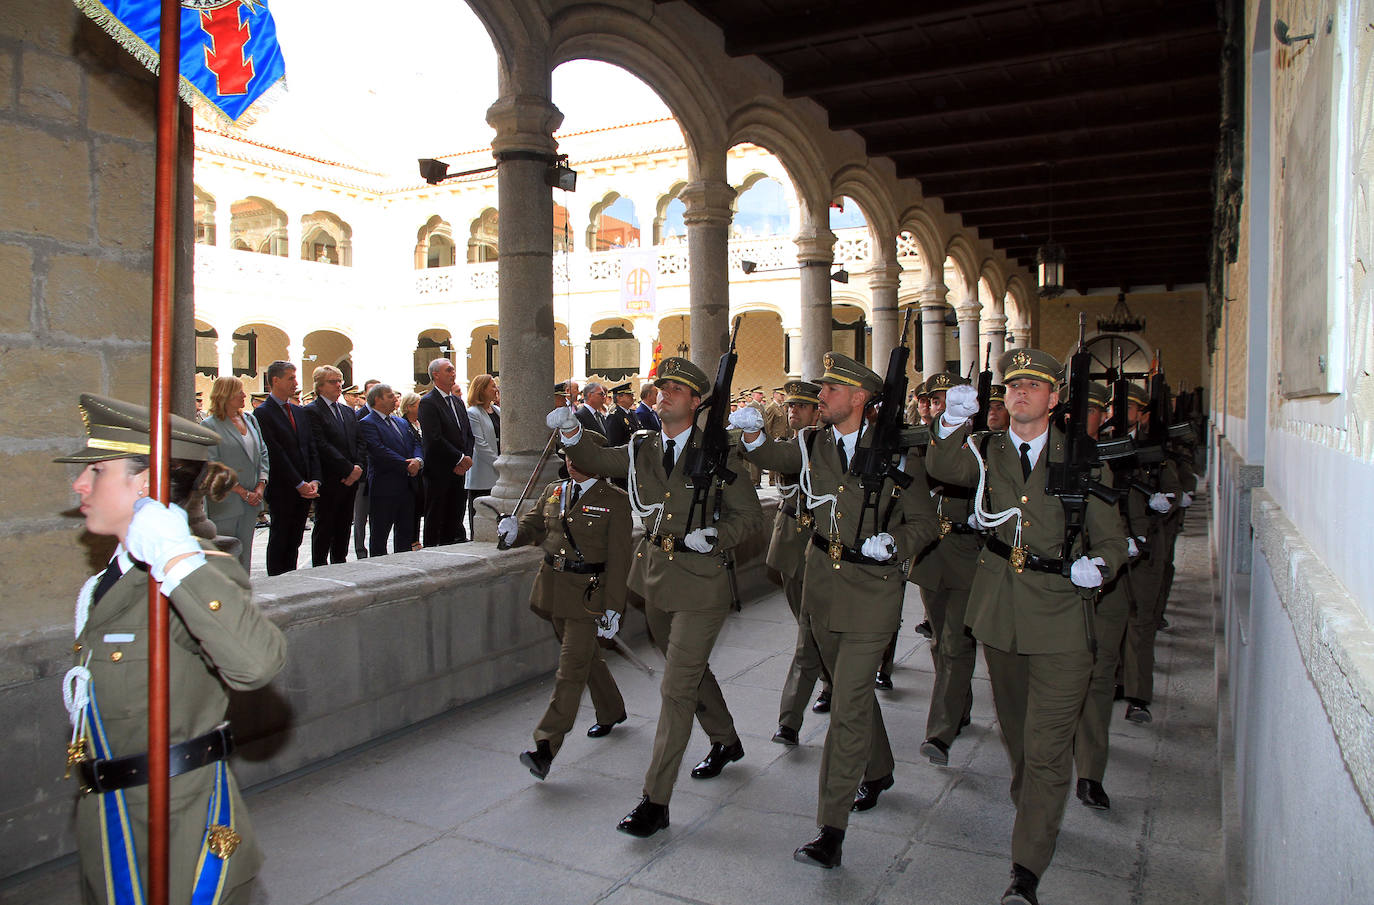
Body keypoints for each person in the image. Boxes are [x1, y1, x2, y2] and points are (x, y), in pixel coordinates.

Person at [57, 393, 286, 905]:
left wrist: (177, 560)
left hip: (176, 823)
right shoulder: (113, 578)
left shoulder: (189, 571)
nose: (79, 485)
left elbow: (257, 662)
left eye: (95, 471)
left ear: (144, 484)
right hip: (113, 820)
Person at [926, 348, 1127, 905]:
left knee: (1044, 749)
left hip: (1062, 616)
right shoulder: (985, 450)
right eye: (1013, 385)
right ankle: (1036, 808)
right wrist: (948, 421)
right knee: (1018, 738)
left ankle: (1026, 869)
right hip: (1001, 617)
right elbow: (942, 467)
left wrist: (1101, 568)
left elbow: (1111, 540)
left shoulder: (1082, 458)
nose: (1020, 393)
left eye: (1034, 385)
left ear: (1054, 398)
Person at [735, 351, 941, 870]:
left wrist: (893, 543)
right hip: (822, 585)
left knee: (848, 701)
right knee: (848, 689)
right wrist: (754, 436)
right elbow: (775, 459)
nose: (820, 395)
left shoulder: (898, 452)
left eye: (831, 389)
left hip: (873, 591)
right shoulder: (812, 444)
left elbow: (925, 523)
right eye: (822, 387)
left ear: (859, 398)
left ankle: (831, 827)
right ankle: (879, 768)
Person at [549, 356, 765, 838]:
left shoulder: (720, 452)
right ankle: (726, 740)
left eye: (674, 388)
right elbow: (599, 459)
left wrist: (716, 536)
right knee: (685, 671)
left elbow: (750, 517)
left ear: (695, 401)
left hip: (703, 582)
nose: (662, 393)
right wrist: (570, 434)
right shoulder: (642, 446)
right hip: (656, 579)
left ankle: (655, 800)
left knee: (675, 688)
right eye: (660, 386)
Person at [499, 442, 631, 781]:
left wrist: (614, 608)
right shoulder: (554, 490)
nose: (572, 462)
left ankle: (545, 746)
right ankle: (612, 709)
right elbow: (532, 526)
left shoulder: (614, 500)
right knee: (585, 658)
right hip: (554, 591)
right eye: (568, 456)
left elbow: (619, 560)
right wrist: (513, 532)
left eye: (579, 456)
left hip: (589, 595)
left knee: (570, 670)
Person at [908, 371, 982, 767]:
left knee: (956, 642)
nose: (936, 407)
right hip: (932, 554)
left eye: (944, 400)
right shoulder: (921, 443)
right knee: (940, 641)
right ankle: (960, 703)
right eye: (933, 401)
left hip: (970, 554)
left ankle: (940, 731)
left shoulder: (981, 445)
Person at [1071, 382, 1134, 811]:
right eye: (1082, 410)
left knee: (1098, 678)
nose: (1088, 418)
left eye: (1095, 411)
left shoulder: (1111, 457)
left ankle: (1091, 772)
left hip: (1106, 582)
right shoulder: (1055, 454)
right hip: (1063, 582)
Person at [760, 380, 833, 746]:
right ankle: (830, 680)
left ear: (817, 411)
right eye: (789, 407)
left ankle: (791, 717)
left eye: (801, 407)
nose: (793, 413)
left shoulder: (830, 446)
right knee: (804, 621)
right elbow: (772, 457)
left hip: (820, 544)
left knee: (809, 630)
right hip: (790, 539)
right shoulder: (788, 446)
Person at [253, 360, 321, 575]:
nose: (295, 382)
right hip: (284, 487)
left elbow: (311, 446)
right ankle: (276, 579)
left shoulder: (298, 411)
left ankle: (291, 577)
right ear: (275, 380)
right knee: (281, 537)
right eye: (290, 378)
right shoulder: (263, 413)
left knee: (295, 539)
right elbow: (275, 452)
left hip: (305, 487)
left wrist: (315, 479)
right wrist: (298, 483)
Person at [201, 375, 269, 572]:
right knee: (224, 555)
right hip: (227, 499)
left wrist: (260, 485)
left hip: (252, 498)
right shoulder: (210, 425)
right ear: (226, 395)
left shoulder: (250, 420)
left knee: (245, 552)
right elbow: (212, 465)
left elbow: (262, 452)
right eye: (239, 392)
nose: (244, 395)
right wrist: (242, 491)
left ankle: (243, 594)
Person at [308, 365, 365, 566]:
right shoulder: (312, 411)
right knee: (325, 525)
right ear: (320, 386)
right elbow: (321, 445)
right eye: (333, 381)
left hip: (351, 479)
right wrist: (348, 469)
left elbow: (359, 441)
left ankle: (340, 562)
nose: (339, 385)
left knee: (343, 525)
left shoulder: (347, 411)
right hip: (330, 477)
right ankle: (320, 566)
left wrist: (357, 467)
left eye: (340, 380)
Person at [360, 383, 424, 556]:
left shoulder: (400, 422)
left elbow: (416, 443)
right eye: (389, 396)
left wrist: (417, 460)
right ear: (377, 400)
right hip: (384, 487)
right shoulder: (367, 423)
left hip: (406, 485)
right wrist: (406, 464)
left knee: (405, 532)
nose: (395, 399)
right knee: (380, 534)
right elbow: (378, 450)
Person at [418, 358, 474, 546]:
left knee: (455, 517)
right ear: (436, 375)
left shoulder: (457, 402)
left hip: (459, 471)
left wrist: (467, 458)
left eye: (453, 370)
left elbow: (467, 434)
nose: (453, 373)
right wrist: (459, 458)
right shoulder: (428, 403)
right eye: (448, 370)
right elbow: (434, 438)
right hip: (439, 471)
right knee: (435, 518)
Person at [466, 373, 501, 537]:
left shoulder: (497, 411)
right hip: (483, 472)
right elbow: (480, 444)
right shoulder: (473, 413)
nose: (496, 389)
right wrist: (499, 463)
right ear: (482, 389)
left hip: (499, 472)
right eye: (492, 385)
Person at [352, 379, 382, 558]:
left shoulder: (386, 416)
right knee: (360, 517)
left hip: (378, 473)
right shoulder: (359, 416)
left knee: (377, 515)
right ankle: (360, 550)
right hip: (363, 474)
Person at [400, 392, 426, 550]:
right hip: (411, 470)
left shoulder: (420, 423)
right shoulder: (404, 424)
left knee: (419, 505)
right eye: (418, 404)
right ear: (409, 407)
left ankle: (416, 538)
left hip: (422, 469)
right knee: (411, 507)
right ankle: (411, 540)